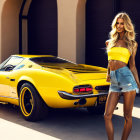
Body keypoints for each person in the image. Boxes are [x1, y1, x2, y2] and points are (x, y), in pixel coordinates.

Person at [104, 12, 140, 140]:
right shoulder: (109, 42)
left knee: (127, 116)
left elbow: (133, 66)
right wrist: (108, 74)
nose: (119, 26)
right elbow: (109, 61)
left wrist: (139, 84)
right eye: (117, 23)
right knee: (107, 115)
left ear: (126, 25)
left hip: (127, 78)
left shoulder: (131, 43)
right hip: (114, 80)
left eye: (122, 23)